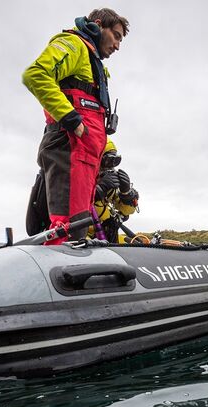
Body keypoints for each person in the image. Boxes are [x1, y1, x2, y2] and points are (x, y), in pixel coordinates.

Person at [22, 8, 129, 244]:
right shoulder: (74, 44)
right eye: (117, 35)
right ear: (99, 25)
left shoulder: (94, 62)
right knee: (67, 230)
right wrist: (73, 120)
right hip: (70, 148)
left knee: (78, 229)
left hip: (85, 158)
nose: (118, 45)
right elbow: (35, 74)